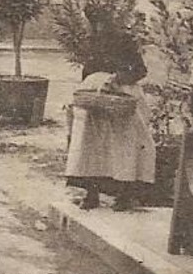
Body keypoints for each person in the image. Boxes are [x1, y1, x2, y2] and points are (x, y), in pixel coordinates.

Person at [65, 53, 155, 210]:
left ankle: (124, 195)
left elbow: (139, 71)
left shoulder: (126, 40)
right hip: (93, 92)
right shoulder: (93, 38)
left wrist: (120, 77)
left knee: (126, 145)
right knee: (93, 147)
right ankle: (91, 193)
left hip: (123, 93)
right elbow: (88, 66)